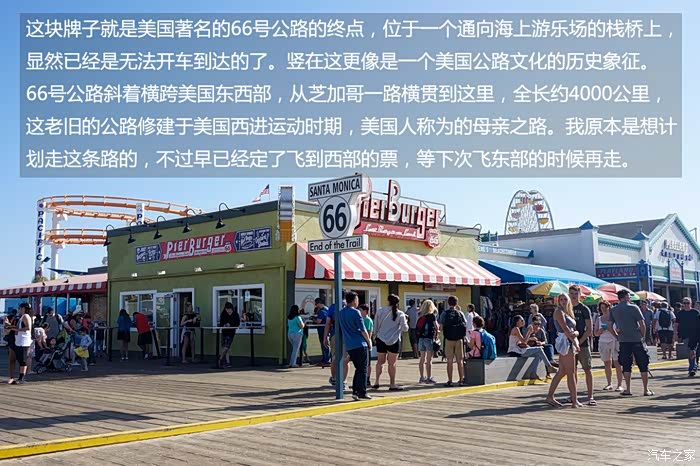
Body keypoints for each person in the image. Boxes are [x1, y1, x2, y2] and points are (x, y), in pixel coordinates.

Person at [609, 289, 653, 396]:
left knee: (626, 365)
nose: (630, 298)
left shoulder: (614, 309)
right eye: (629, 296)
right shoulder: (634, 307)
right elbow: (642, 324)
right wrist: (642, 336)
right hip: (636, 339)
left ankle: (628, 389)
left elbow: (610, 326)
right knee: (643, 363)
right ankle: (646, 389)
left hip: (623, 340)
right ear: (625, 297)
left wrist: (617, 336)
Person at [546, 294, 581, 408]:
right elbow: (565, 328)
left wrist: (576, 334)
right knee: (570, 372)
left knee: (562, 371)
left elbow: (573, 329)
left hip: (569, 340)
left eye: (565, 299)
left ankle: (550, 396)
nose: (563, 301)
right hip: (566, 342)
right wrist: (575, 341)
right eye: (561, 299)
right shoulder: (558, 312)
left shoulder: (568, 312)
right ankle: (574, 400)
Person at [338, 292, 373, 401]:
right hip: (360, 343)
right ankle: (361, 392)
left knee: (358, 368)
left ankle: (356, 391)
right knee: (363, 369)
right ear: (354, 300)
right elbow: (363, 330)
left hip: (349, 344)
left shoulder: (341, 313)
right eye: (357, 300)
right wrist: (369, 341)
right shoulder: (356, 312)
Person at [373, 294, 408, 390]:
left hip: (380, 339)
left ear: (388, 301)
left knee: (380, 362)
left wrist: (375, 335)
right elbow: (405, 329)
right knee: (392, 364)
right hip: (394, 340)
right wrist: (406, 321)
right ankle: (392, 384)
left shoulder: (380, 311)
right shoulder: (400, 314)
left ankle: (376, 381)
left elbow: (375, 326)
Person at [569, 285, 595, 406]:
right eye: (572, 293)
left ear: (580, 295)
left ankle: (590, 396)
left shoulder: (584, 309)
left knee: (587, 369)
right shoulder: (566, 308)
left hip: (583, 344)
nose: (574, 296)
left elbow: (589, 329)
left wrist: (579, 342)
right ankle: (573, 396)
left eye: (576, 294)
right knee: (572, 371)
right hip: (569, 344)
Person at [594, 301, 624, 392]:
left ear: (609, 307)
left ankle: (619, 384)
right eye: (601, 308)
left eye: (605, 307)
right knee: (607, 363)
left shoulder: (615, 318)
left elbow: (620, 329)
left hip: (614, 340)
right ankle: (609, 383)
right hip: (603, 341)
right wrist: (601, 330)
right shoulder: (599, 319)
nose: (603, 309)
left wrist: (612, 330)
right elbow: (595, 333)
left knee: (617, 363)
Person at [440, 296, 468, 387]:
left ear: (448, 303)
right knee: (460, 360)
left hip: (448, 339)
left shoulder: (444, 313)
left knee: (449, 360)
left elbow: (441, 327)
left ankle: (450, 380)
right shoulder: (460, 313)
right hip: (459, 339)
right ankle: (461, 380)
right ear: (456, 303)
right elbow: (465, 324)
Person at [323, 297, 349, 390]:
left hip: (335, 334)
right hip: (347, 335)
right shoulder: (349, 307)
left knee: (334, 357)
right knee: (346, 359)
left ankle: (334, 379)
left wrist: (325, 337)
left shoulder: (332, 307)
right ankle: (344, 381)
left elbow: (328, 323)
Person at [416, 299, 439, 383]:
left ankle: (422, 377)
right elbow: (436, 327)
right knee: (429, 360)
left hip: (421, 338)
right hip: (429, 338)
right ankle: (429, 377)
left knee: (422, 358)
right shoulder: (432, 316)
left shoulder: (420, 315)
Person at [675, 297, 700, 377]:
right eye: (684, 303)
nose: (686, 305)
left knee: (693, 351)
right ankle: (693, 367)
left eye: (687, 303)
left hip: (695, 335)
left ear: (691, 303)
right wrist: (675, 334)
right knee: (690, 352)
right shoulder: (680, 313)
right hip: (685, 335)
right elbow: (676, 324)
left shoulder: (695, 312)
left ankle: (692, 368)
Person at [13, 303, 33, 384]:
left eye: (20, 308)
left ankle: (22, 377)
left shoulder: (26, 316)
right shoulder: (22, 317)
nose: (19, 310)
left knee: (23, 360)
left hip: (24, 342)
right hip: (19, 341)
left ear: (23, 308)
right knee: (20, 359)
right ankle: (20, 377)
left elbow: (28, 327)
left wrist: (17, 330)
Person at [219, 302, 240, 369]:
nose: (228, 311)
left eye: (229, 309)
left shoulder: (235, 314)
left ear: (231, 308)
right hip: (224, 332)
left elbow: (237, 323)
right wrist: (224, 325)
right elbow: (221, 323)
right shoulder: (224, 314)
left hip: (231, 332)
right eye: (226, 309)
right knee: (225, 347)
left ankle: (220, 359)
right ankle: (228, 362)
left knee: (227, 347)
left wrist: (230, 325)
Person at [312, 298, 330, 367]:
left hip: (323, 330)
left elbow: (318, 321)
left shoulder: (322, 311)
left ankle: (327, 360)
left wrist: (313, 319)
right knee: (325, 344)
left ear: (319, 303)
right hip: (326, 329)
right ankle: (325, 359)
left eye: (316, 304)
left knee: (325, 344)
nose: (315, 305)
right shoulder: (327, 309)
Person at [359, 304, 374, 386]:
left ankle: (367, 378)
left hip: (366, 343)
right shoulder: (360, 319)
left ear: (365, 311)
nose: (359, 312)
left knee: (368, 363)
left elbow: (369, 332)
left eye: (360, 310)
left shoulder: (367, 320)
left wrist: (368, 342)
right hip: (360, 343)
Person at [3, 310, 18, 384]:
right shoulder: (10, 318)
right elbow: (6, 330)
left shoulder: (19, 319)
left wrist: (8, 325)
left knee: (19, 361)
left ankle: (17, 377)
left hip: (17, 341)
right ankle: (12, 377)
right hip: (12, 341)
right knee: (12, 360)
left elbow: (16, 328)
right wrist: (7, 325)